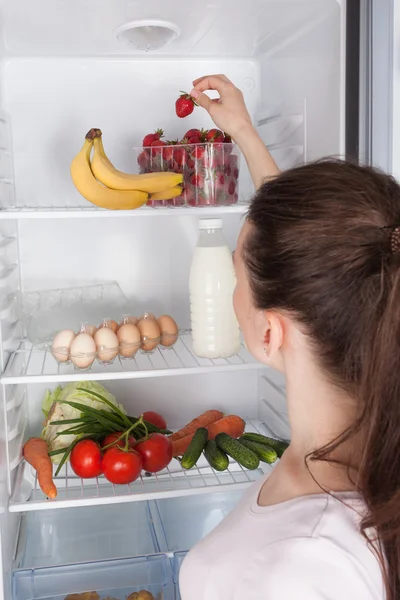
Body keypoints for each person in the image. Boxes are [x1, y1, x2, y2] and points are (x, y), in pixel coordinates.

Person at [179, 74, 400, 600]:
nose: (236, 287)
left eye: (237, 276)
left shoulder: (305, 569)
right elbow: (314, 254)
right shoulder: (366, 444)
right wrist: (242, 132)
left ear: (272, 331)